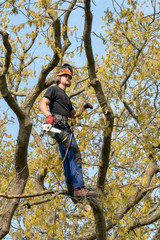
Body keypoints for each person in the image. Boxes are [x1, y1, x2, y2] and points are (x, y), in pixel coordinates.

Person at [40, 64, 97, 200]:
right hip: (58, 126)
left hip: (65, 127)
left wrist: (83, 108)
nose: (68, 78)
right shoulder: (53, 89)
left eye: (69, 77)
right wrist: (48, 116)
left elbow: (73, 114)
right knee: (74, 152)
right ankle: (79, 189)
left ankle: (73, 191)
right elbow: (43, 104)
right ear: (58, 78)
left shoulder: (65, 97)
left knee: (68, 158)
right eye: (66, 76)